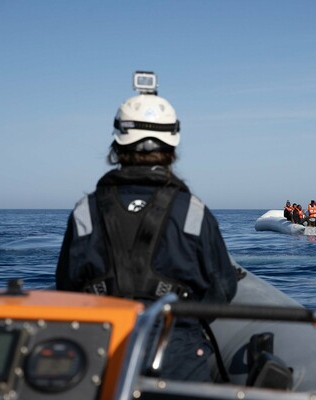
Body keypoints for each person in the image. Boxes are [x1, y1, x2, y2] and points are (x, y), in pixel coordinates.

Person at [56, 73, 238, 382]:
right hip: (176, 355)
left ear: (118, 142)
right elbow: (222, 287)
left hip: (100, 352)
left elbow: (66, 285)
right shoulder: (193, 211)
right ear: (172, 144)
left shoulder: (84, 211)